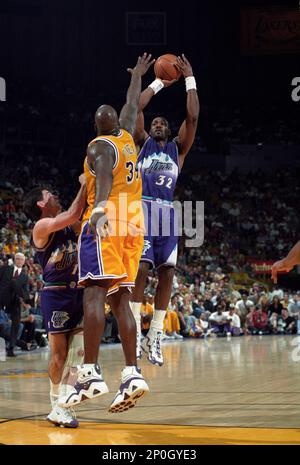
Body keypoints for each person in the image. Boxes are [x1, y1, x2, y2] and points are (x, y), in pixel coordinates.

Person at [59, 53, 154, 414]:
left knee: (94, 295)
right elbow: (132, 101)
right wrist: (139, 75)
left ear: (95, 126)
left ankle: (90, 373)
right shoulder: (127, 133)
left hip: (107, 221)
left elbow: (101, 174)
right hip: (135, 224)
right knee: (121, 300)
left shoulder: (98, 146)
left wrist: (97, 207)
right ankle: (132, 373)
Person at [130, 54, 200, 365]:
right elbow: (136, 107)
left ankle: (155, 333)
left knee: (168, 271)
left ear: (168, 130)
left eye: (163, 123)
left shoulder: (178, 149)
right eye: (155, 123)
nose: (158, 125)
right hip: (143, 209)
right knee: (142, 269)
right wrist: (158, 81)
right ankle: (132, 333)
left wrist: (189, 80)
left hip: (168, 214)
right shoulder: (141, 142)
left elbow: (193, 117)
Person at [23, 175, 87, 428]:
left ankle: (65, 405)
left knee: (79, 354)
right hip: (56, 294)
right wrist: (84, 182)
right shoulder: (41, 227)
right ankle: (54, 403)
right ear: (41, 204)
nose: (56, 196)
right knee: (59, 355)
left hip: (79, 291)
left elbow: (82, 219)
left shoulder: (69, 226)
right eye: (50, 195)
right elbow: (73, 213)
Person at [0, 252, 30, 357]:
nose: (19, 261)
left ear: (24, 261)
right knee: (13, 282)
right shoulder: (5, 269)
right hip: (2, 297)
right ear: (14, 260)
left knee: (16, 323)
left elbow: (26, 291)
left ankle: (11, 348)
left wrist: (25, 299)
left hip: (14, 301)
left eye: (21, 259)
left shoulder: (25, 276)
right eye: (17, 259)